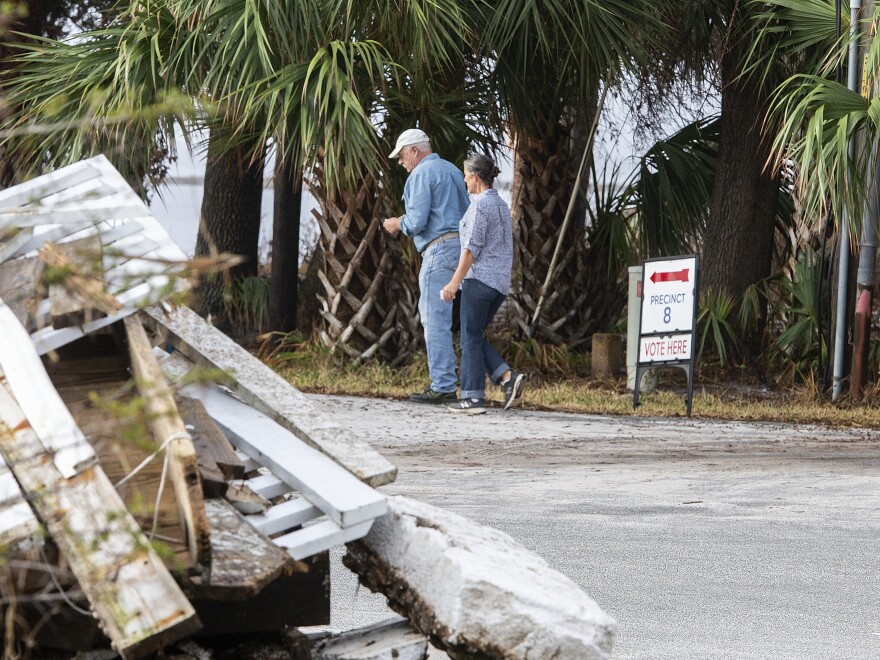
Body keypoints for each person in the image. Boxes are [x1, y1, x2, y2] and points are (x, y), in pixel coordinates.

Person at [383, 129, 470, 403]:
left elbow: (417, 221)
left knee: (435, 319)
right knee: (463, 321)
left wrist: (397, 223)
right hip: (462, 250)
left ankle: (443, 386)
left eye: (401, 156)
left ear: (414, 151)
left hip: (439, 250)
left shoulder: (420, 174)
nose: (401, 163)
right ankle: (472, 384)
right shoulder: (454, 171)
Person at [440, 153, 527, 414]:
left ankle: (472, 398)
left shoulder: (480, 207)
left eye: (466, 175)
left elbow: (470, 250)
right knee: (473, 334)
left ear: (475, 177)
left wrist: (454, 283)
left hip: (479, 281)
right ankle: (506, 378)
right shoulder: (500, 204)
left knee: (469, 336)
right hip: (499, 284)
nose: (464, 180)